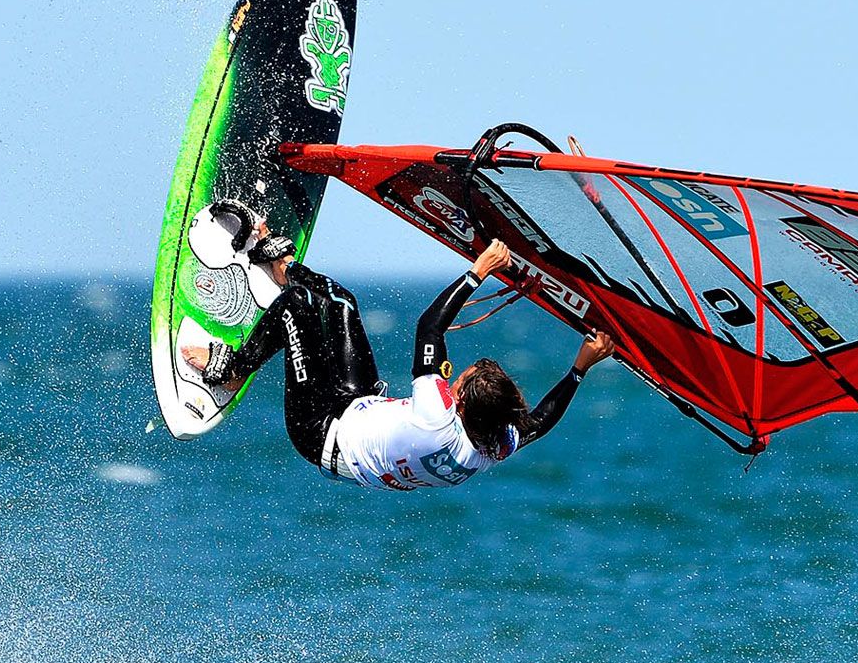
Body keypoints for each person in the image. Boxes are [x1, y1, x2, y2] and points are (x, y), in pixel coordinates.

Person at [182, 204, 615, 490]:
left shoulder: (438, 419)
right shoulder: (491, 444)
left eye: (459, 380)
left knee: (299, 308)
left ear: (461, 402)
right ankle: (283, 267)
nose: (455, 377)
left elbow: (429, 327)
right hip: (361, 403)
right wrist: (580, 369)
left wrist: (478, 271)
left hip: (320, 434)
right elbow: (538, 423)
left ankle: (231, 368)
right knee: (342, 302)